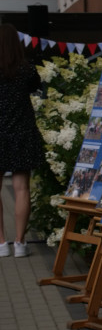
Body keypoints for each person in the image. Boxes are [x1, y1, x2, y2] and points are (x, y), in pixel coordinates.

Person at [0, 24, 46, 258]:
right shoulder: (26, 69)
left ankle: (1, 244)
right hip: (21, 132)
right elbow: (37, 88)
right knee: (21, 189)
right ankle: (19, 242)